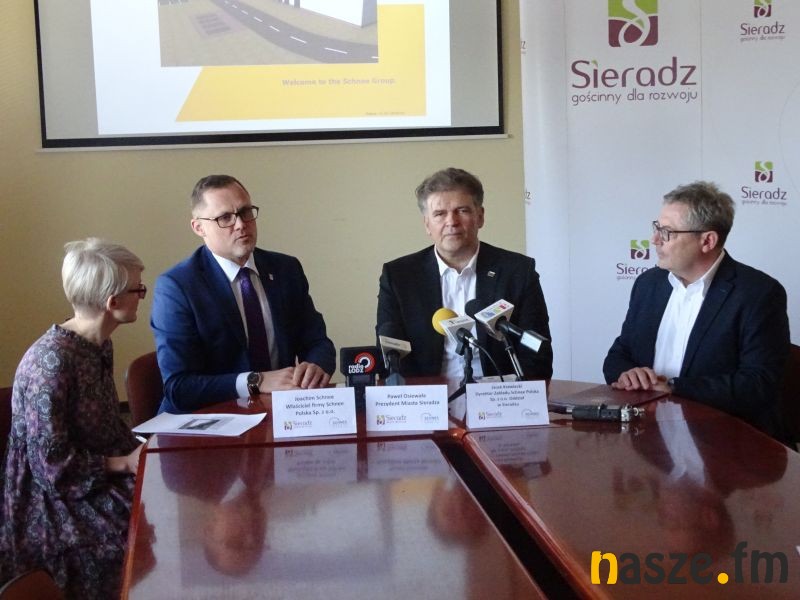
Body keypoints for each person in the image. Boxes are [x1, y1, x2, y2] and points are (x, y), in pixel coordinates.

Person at [0, 238, 146, 599]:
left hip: (93, 471)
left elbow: (105, 425)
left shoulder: (98, 343)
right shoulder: (52, 364)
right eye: (138, 289)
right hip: (53, 499)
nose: (142, 295)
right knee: (131, 538)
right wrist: (124, 463)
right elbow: (51, 468)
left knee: (164, 499)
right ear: (112, 303)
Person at [603, 181, 790, 440]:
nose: (655, 240)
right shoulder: (648, 284)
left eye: (667, 232)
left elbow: (758, 384)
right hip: (649, 439)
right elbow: (619, 353)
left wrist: (674, 387)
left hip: (728, 441)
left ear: (707, 241)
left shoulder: (758, 293)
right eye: (657, 228)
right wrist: (627, 374)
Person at [151, 174, 336, 413]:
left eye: (246, 212)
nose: (240, 224)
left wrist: (316, 366)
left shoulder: (285, 269)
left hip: (279, 411)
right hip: (209, 418)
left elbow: (317, 341)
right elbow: (179, 388)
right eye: (225, 218)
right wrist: (255, 381)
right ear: (199, 227)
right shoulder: (177, 286)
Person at [376, 167, 552, 380]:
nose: (452, 222)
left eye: (462, 211)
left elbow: (536, 350)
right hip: (429, 395)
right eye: (440, 214)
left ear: (480, 217)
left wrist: (516, 393)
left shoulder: (517, 271)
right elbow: (390, 354)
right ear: (427, 224)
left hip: (499, 394)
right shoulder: (399, 276)